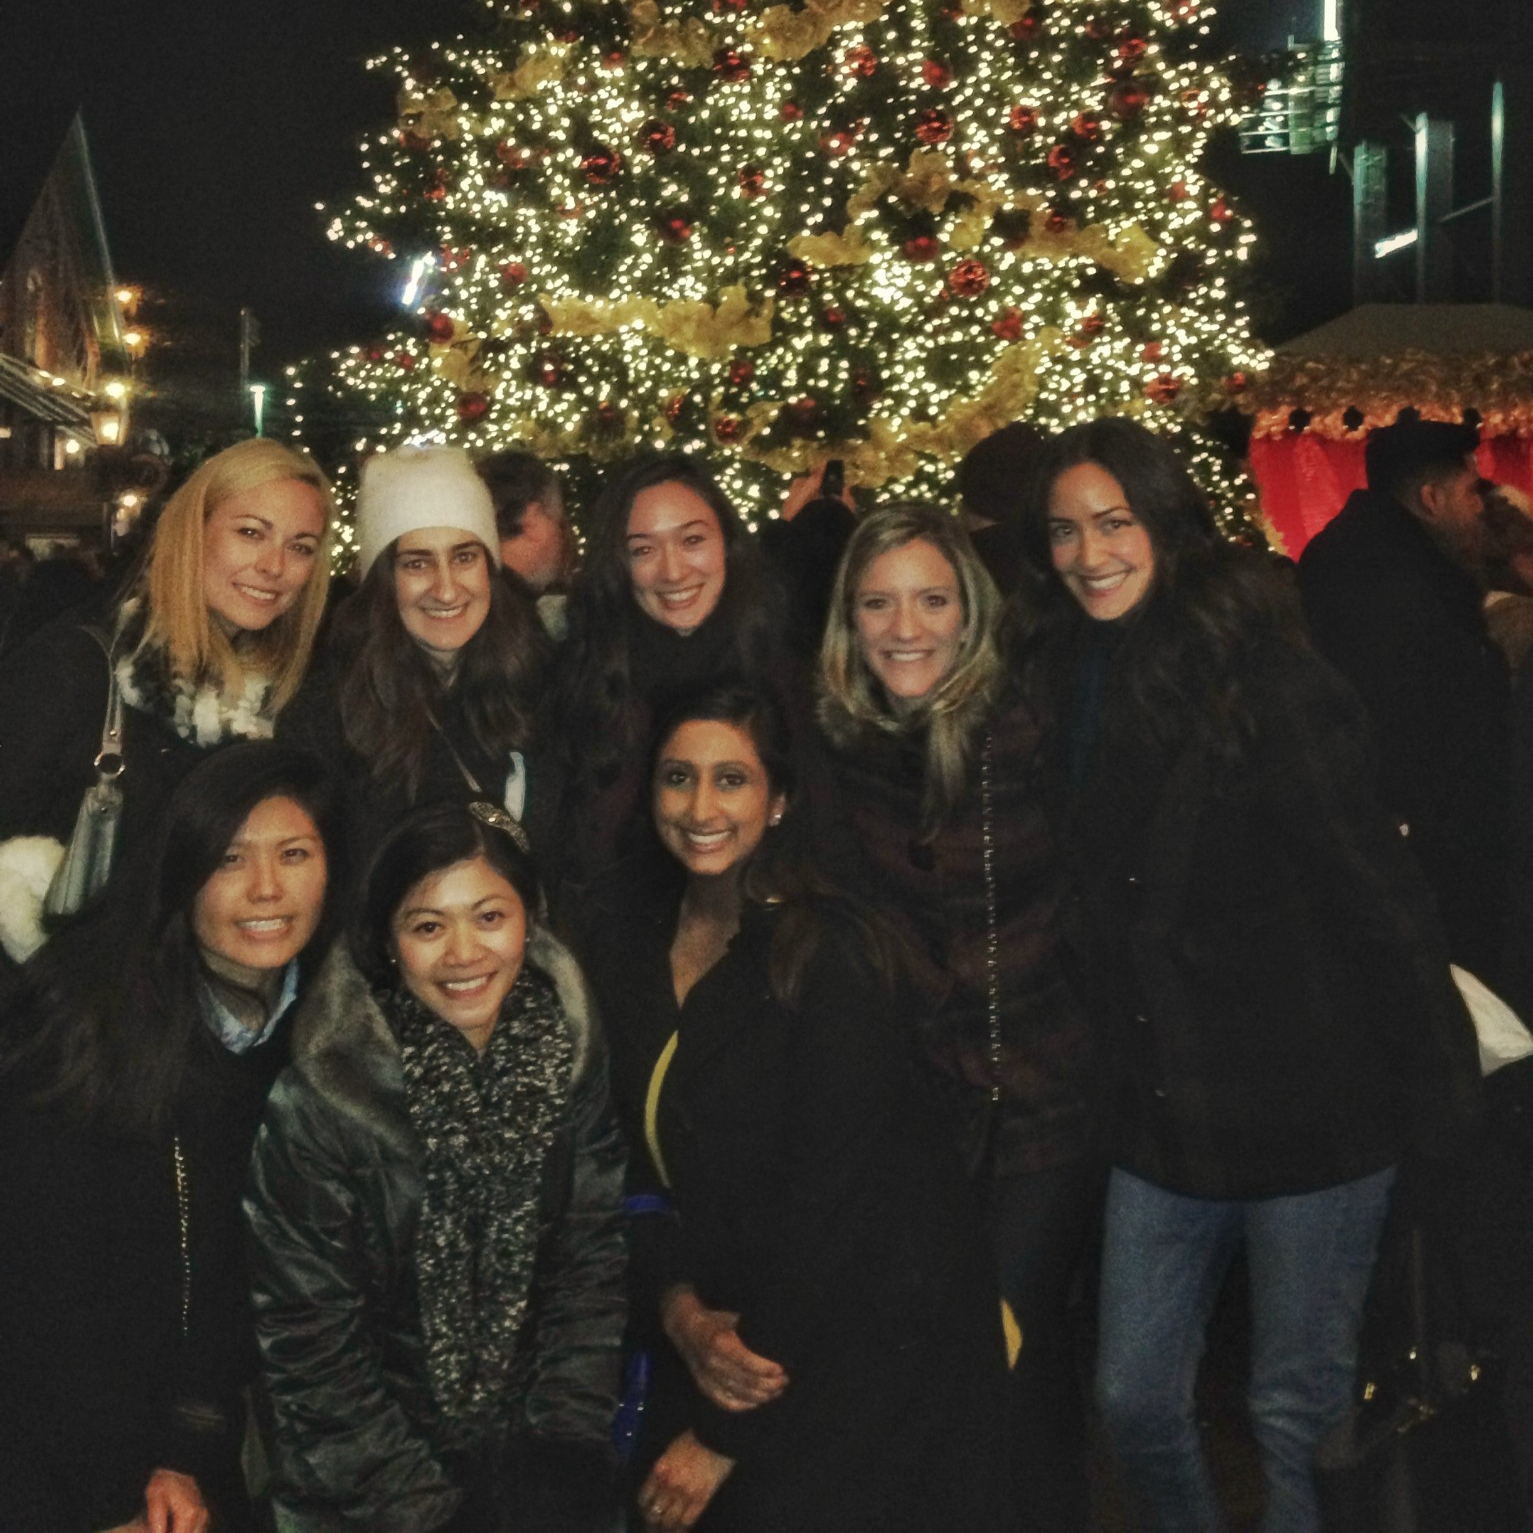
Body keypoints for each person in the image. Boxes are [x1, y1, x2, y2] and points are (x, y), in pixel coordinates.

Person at [1020, 416, 1482, 1533]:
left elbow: (1380, 897)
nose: (1089, 553)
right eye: (1065, 531)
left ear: (1165, 522)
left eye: (1113, 522)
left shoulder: (1263, 677)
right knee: (1132, 1398)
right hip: (1163, 1111)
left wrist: (1441, 1104)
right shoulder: (1065, 677)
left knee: (1294, 1407)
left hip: (1315, 1107)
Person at [578, 681, 1008, 1533]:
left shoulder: (830, 953)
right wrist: (677, 1308)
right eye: (677, 776)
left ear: (778, 801)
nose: (700, 806)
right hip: (716, 1320)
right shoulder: (625, 934)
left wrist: (723, 1433)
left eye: (731, 779)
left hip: (854, 1348)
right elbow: (618, 1152)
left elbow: (832, 1210)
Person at [816, 502, 1100, 1531]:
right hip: (921, 1120)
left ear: (970, 611)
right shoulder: (841, 746)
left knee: (1003, 1344)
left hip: (1045, 1103)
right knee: (981, 1365)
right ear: (848, 620)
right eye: (878, 604)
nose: (905, 628)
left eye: (931, 600)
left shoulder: (1029, 729)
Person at [245, 801, 627, 1532]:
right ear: (388, 942)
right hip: (366, 1498)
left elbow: (589, 1269)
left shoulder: (570, 1055)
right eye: (428, 926)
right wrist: (436, 1517)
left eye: (489, 916)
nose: (463, 953)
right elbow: (311, 1351)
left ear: (530, 920)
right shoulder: (324, 1099)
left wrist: (561, 1463)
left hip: (532, 1479)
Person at [0, 741, 338, 1533]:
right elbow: (43, 1296)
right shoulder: (86, 1030)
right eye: (229, 858)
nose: (266, 887)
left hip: (202, 1443)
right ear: (181, 872)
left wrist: (186, 1450)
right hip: (65, 1451)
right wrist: (115, 1491)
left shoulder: (330, 1040)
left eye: (294, 853)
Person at [0, 438, 335, 964]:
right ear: (192, 533)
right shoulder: (77, 668)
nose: (274, 565)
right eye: (250, 533)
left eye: (301, 546)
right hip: (72, 993)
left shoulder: (295, 698)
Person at [1297, 416, 1511, 988]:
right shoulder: (1401, 583)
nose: (1479, 508)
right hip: (1429, 848)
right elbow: (1427, 732)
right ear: (1431, 499)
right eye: (1470, 492)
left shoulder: (1355, 554)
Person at [281, 445, 549, 873]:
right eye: (417, 564)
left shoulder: (542, 681)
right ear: (383, 582)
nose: (446, 589)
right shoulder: (327, 714)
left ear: (489, 568)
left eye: (464, 557)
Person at [542, 453, 789, 915]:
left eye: (692, 540)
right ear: (619, 564)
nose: (673, 571)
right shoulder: (578, 672)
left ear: (726, 543)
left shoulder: (782, 670)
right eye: (643, 550)